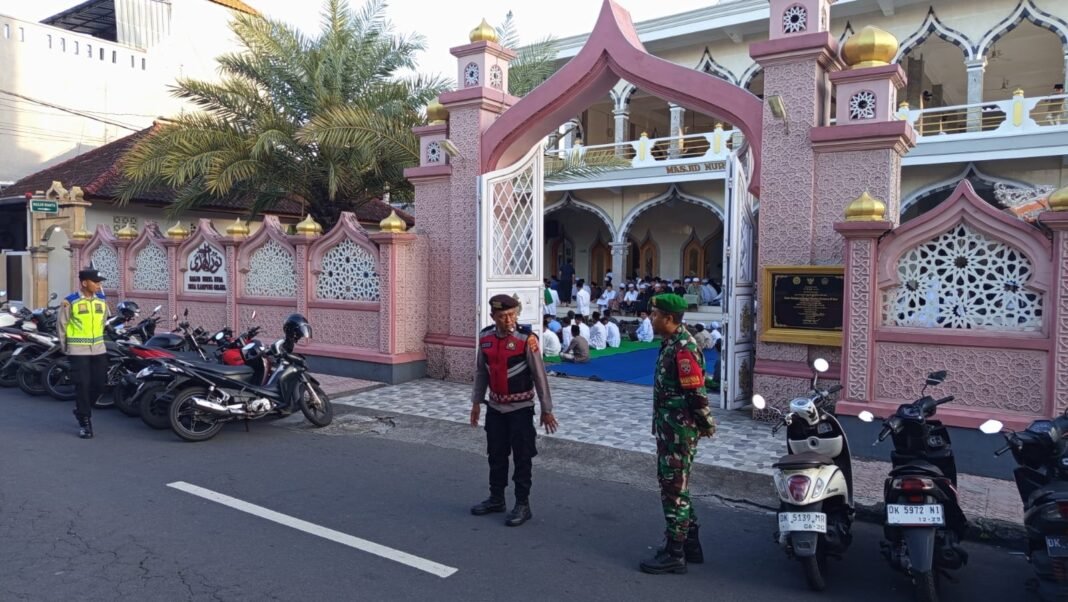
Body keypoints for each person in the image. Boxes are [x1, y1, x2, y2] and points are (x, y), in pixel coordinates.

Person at [640, 293, 717, 575]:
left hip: (678, 431)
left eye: (655, 315)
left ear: (669, 318)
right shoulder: (672, 343)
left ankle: (675, 553)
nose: (651, 319)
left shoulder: (683, 348)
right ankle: (690, 544)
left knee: (673, 489)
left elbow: (696, 392)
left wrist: (706, 424)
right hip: (670, 428)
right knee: (676, 485)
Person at [470, 294, 558, 527]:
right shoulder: (485, 338)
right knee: (496, 455)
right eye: (502, 316)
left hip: (521, 409)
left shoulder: (526, 339)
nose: (508, 320)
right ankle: (496, 498)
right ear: (493, 317)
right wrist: (476, 403)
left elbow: (539, 376)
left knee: (522, 457)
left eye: (511, 315)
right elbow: (481, 372)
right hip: (495, 408)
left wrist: (546, 409)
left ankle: (522, 504)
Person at [58, 268, 110, 439]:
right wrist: (65, 347)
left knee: (100, 384)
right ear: (85, 283)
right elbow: (62, 325)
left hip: (98, 349)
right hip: (78, 350)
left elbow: (103, 321)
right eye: (96, 282)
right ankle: (85, 420)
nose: (99, 285)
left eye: (99, 282)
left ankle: (82, 409)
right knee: (83, 385)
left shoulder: (101, 300)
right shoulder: (70, 301)